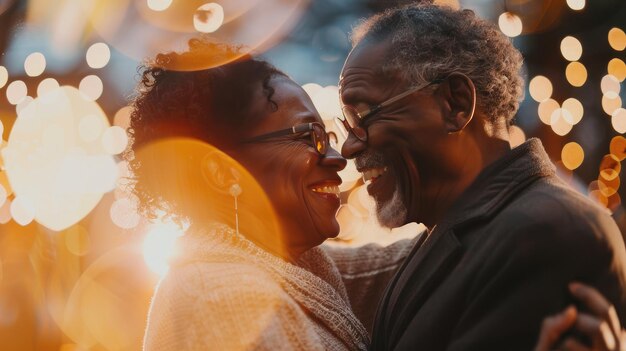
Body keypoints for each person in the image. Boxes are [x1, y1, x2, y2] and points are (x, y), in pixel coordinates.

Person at [337, 2, 626, 350]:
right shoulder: (460, 231)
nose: (349, 147)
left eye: (364, 115)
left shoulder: (544, 234)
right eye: (347, 122)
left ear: (455, 104)